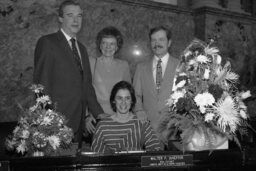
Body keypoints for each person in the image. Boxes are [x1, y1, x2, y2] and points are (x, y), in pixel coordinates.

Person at [33, 0, 105, 143]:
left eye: (79, 16)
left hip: (79, 125)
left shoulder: (82, 49)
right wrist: (48, 122)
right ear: (60, 18)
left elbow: (86, 86)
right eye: (70, 15)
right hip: (56, 125)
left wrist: (100, 114)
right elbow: (41, 87)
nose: (76, 20)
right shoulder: (47, 42)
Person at [133, 26, 179, 145]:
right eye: (153, 40)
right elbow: (135, 95)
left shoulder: (181, 66)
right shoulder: (141, 67)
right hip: (148, 128)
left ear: (169, 42)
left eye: (161, 39)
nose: (156, 43)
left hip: (175, 130)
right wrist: (138, 110)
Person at [91, 81, 162, 153]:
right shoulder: (103, 126)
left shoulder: (141, 123)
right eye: (119, 98)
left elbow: (156, 150)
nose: (123, 102)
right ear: (113, 100)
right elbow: (96, 157)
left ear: (132, 101)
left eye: (127, 98)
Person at [86, 26, 131, 134]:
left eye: (112, 44)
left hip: (119, 118)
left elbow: (129, 94)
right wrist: (86, 116)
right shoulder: (91, 62)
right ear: (100, 45)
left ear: (117, 47)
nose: (108, 47)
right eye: (104, 43)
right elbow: (85, 92)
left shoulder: (123, 65)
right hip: (97, 118)